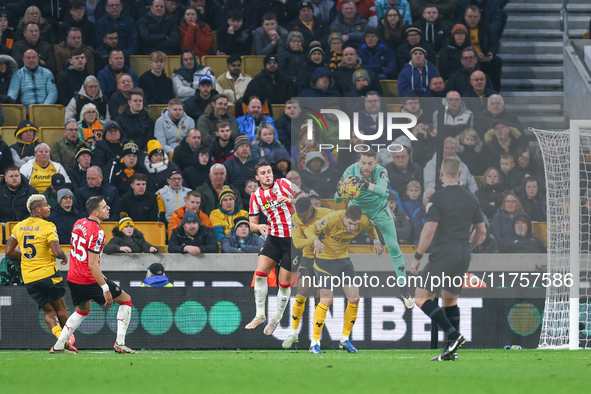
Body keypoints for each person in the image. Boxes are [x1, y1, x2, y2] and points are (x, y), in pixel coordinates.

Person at [411, 156, 486, 361]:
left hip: (445, 253)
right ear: (460, 174)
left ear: (441, 173)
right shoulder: (472, 198)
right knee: (450, 300)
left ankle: (453, 336)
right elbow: (482, 232)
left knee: (420, 297)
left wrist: (418, 257)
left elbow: (429, 231)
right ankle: (451, 351)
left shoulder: (438, 198)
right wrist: (466, 248)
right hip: (463, 254)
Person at [51, 196, 137, 354]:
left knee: (82, 310)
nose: (108, 208)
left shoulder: (78, 223)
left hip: (73, 276)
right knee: (126, 300)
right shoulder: (98, 232)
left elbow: (82, 256)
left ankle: (58, 346)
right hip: (87, 279)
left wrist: (99, 273)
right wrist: (104, 288)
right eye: (105, 207)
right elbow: (91, 264)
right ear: (96, 213)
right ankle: (120, 343)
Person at [335, 150, 415, 307]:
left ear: (375, 163)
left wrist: (364, 183)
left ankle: (404, 290)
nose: (366, 167)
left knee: (392, 245)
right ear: (359, 162)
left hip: (379, 209)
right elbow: (336, 199)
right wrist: (340, 190)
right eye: (363, 163)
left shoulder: (381, 171)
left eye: (370, 164)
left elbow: (381, 190)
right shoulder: (350, 171)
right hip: (358, 210)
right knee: (339, 237)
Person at [306, 205, 383, 354]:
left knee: (354, 299)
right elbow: (309, 229)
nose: (353, 227)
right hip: (324, 261)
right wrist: (315, 240)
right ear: (344, 218)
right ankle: (314, 342)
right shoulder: (331, 219)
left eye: (355, 224)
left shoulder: (362, 221)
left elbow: (371, 228)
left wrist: (376, 241)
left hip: (342, 260)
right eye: (350, 224)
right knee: (326, 300)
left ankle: (344, 339)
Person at [5, 195, 77, 353]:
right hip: (48, 274)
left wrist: (23, 255)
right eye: (46, 205)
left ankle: (60, 339)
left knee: (49, 312)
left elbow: (8, 250)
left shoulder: (18, 227)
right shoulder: (48, 226)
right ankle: (68, 340)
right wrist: (64, 256)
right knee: (61, 309)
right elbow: (57, 252)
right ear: (37, 209)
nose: (49, 207)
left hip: (30, 277)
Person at [245, 160, 302, 335]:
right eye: (263, 173)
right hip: (274, 238)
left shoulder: (284, 183)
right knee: (260, 274)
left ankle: (276, 318)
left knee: (283, 284)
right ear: (257, 177)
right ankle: (260, 314)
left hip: (294, 241)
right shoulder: (255, 197)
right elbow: (252, 224)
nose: (268, 175)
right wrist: (259, 227)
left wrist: (291, 200)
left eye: (269, 171)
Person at [282, 196, 332, 349]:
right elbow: (297, 242)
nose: (301, 221)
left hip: (327, 260)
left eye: (304, 218)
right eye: (299, 217)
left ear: (311, 210)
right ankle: (294, 332)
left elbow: (342, 221)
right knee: (301, 292)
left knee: (320, 299)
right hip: (308, 258)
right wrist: (315, 240)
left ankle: (316, 339)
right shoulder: (295, 218)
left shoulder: (327, 214)